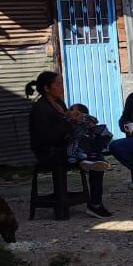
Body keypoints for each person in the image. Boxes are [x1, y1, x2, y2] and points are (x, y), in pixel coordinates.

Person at [26, 71, 112, 218]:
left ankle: (95, 203)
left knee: (97, 149)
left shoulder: (59, 102)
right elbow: (44, 137)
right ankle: (93, 203)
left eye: (61, 84)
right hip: (49, 152)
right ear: (47, 88)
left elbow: (69, 124)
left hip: (66, 145)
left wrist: (82, 120)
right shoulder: (40, 109)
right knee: (93, 156)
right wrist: (69, 123)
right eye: (57, 84)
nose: (61, 87)